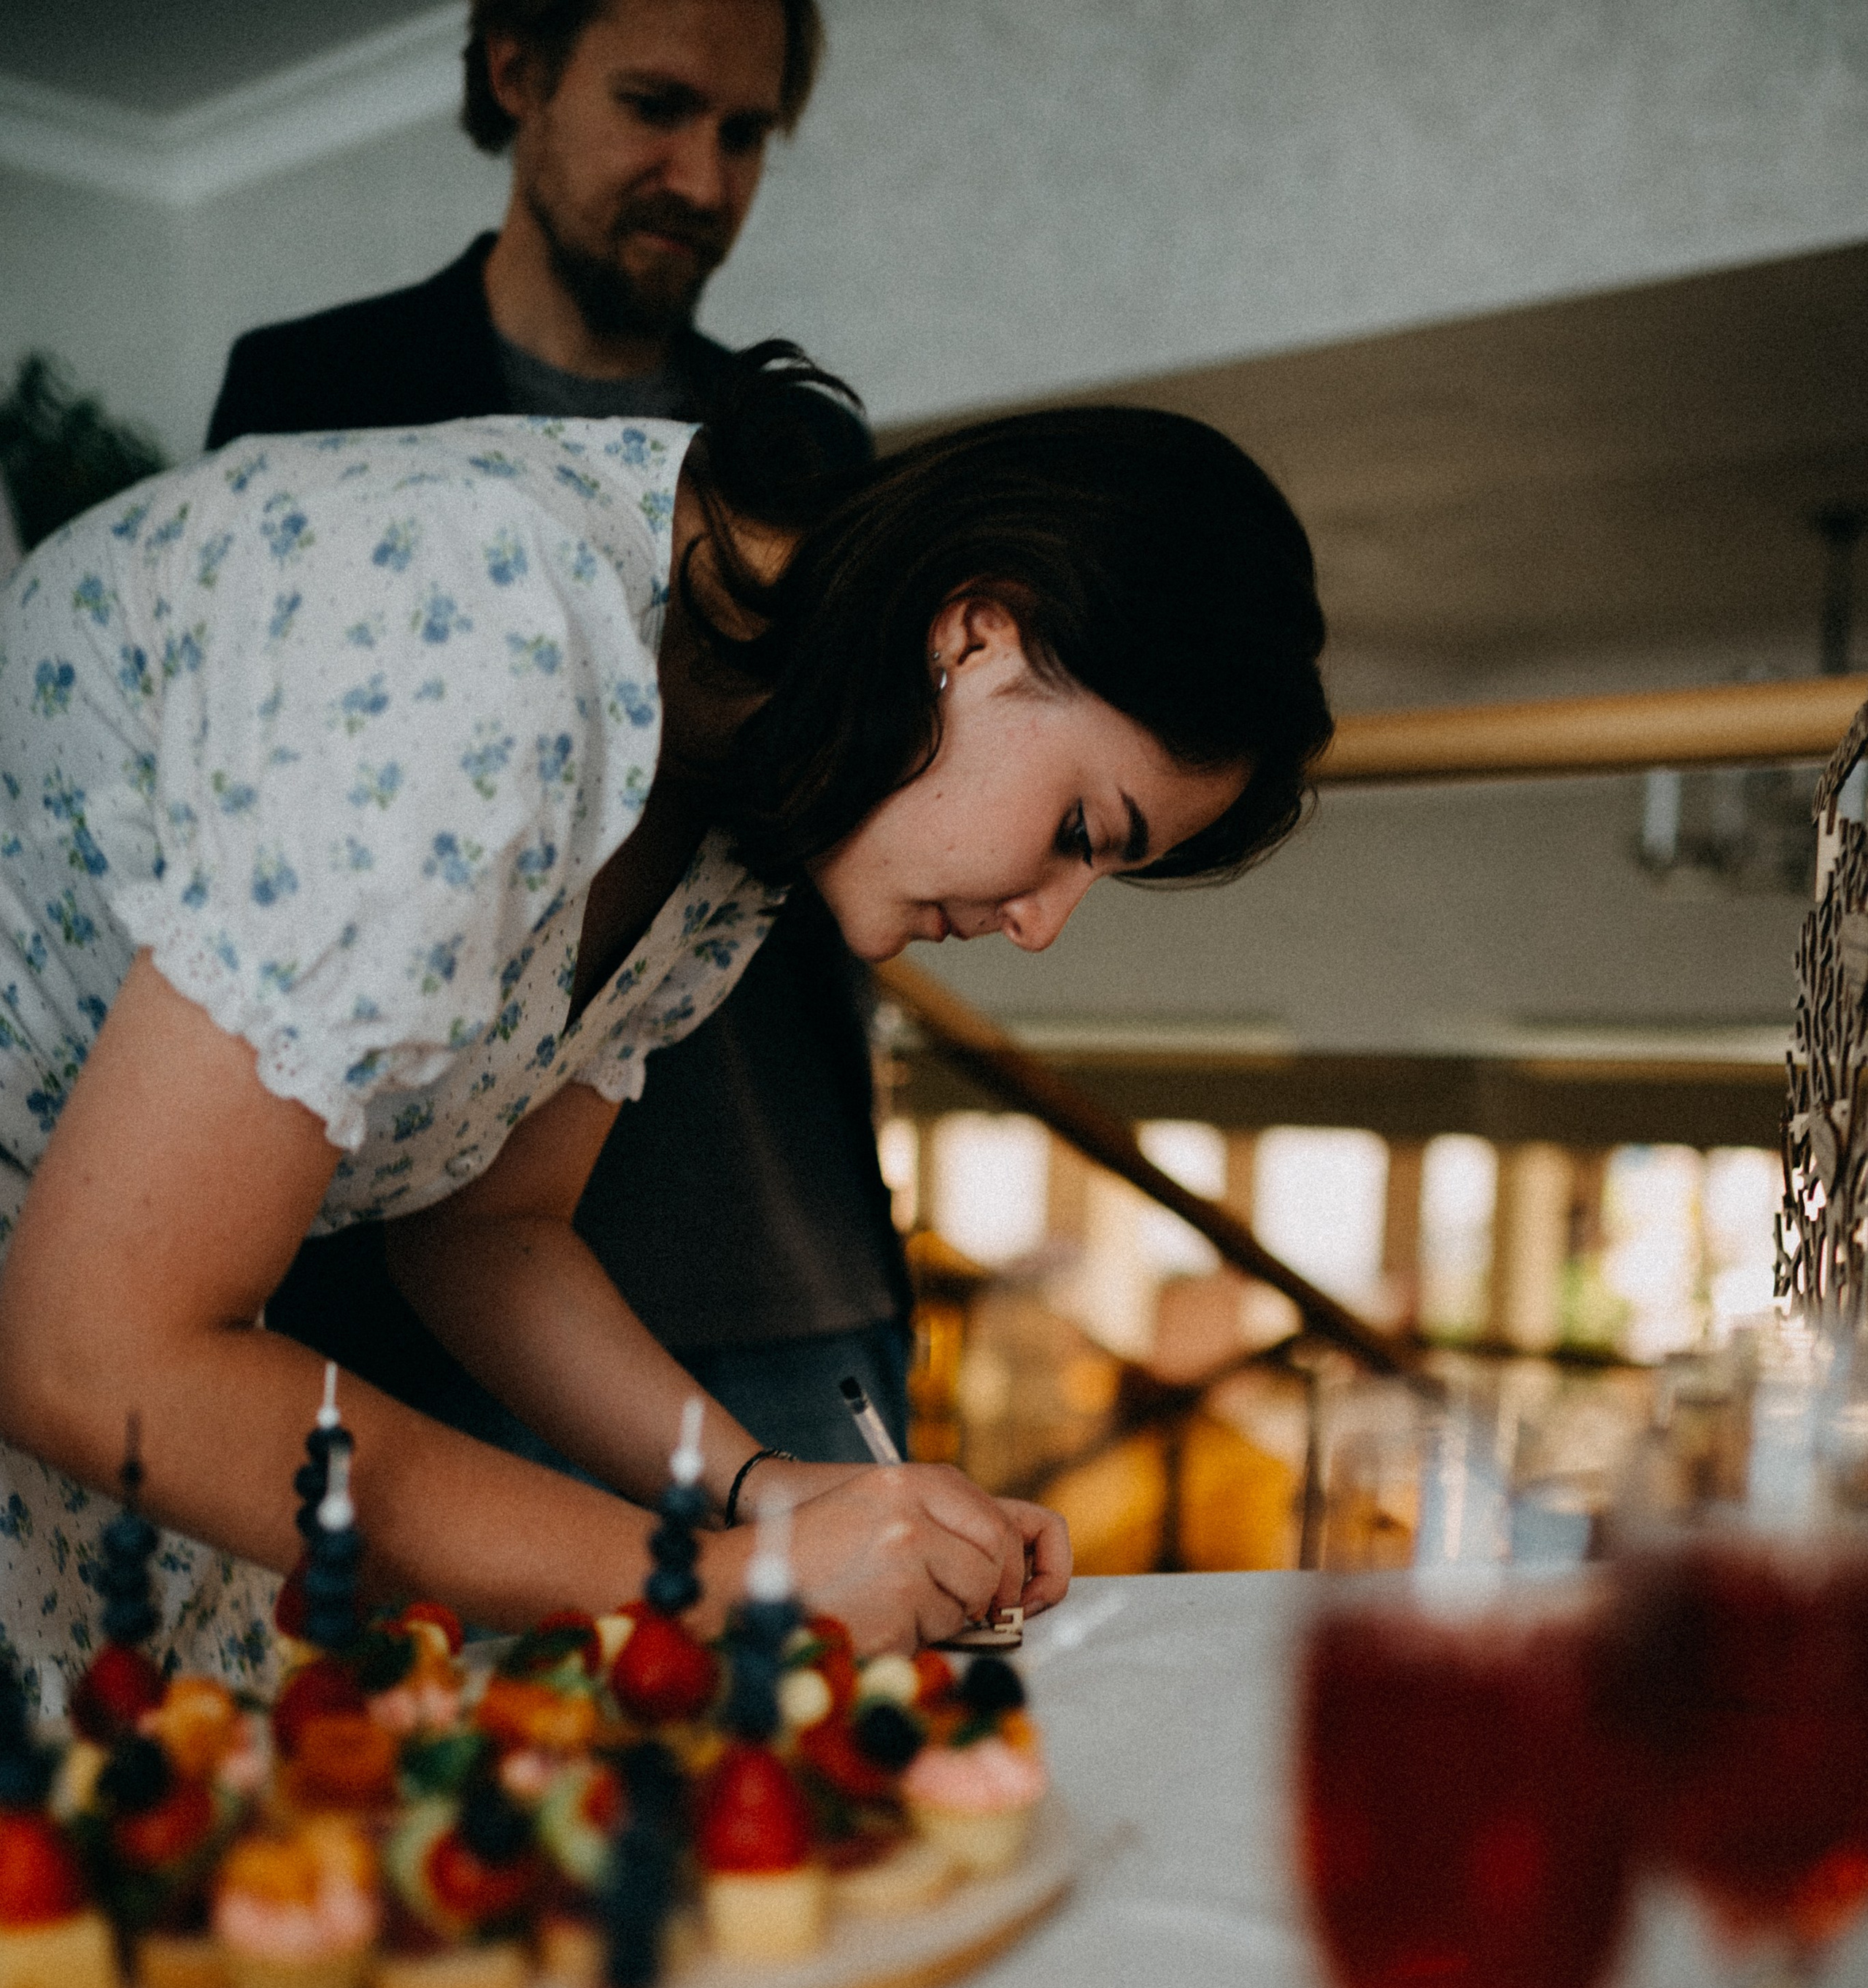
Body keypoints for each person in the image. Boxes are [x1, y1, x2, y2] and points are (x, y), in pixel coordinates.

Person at [0, 363, 1332, 1693]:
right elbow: (90, 1356)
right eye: (1079, 834)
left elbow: (487, 1233)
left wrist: (767, 1493)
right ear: (982, 630)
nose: (1043, 924)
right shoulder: (486, 642)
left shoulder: (749, 790)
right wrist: (735, 1586)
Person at [208, 0, 914, 1468]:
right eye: (655, 107)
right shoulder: (314, 400)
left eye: (743, 134)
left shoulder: (808, 457)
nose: (705, 182)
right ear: (515, 72)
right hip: (417, 1306)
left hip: (792, 1274)